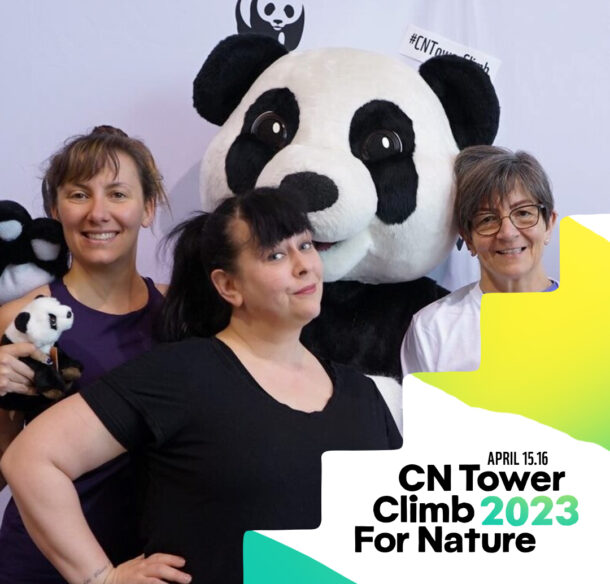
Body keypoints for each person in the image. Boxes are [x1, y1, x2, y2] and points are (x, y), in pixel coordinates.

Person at [2, 187, 401, 584]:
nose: (303, 266)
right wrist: (100, 577)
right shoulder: (181, 374)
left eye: (306, 245)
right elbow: (30, 459)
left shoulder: (359, 393)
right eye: (275, 255)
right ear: (228, 286)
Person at [0, 125, 168, 582]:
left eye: (117, 194)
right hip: (44, 565)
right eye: (78, 195)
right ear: (55, 209)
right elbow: (8, 466)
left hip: (155, 563)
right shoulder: (19, 319)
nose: (98, 213)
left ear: (148, 207)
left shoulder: (181, 316)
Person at [401, 145, 558, 374]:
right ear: (468, 238)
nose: (507, 232)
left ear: (549, 224)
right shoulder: (433, 329)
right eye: (487, 219)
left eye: (524, 213)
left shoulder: (594, 317)